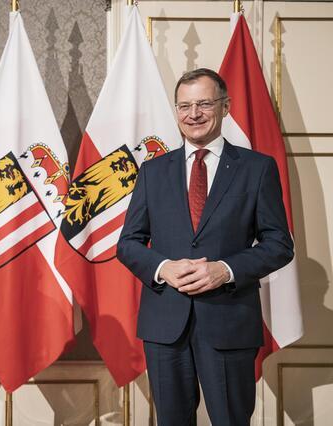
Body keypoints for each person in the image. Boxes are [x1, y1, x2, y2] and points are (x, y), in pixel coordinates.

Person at [117, 68, 293, 425]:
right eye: (184, 105)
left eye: (203, 104)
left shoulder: (257, 169)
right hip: (165, 327)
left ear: (225, 107)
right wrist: (162, 268)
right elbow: (128, 243)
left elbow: (279, 244)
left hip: (228, 322)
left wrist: (224, 270)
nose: (192, 114)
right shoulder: (152, 171)